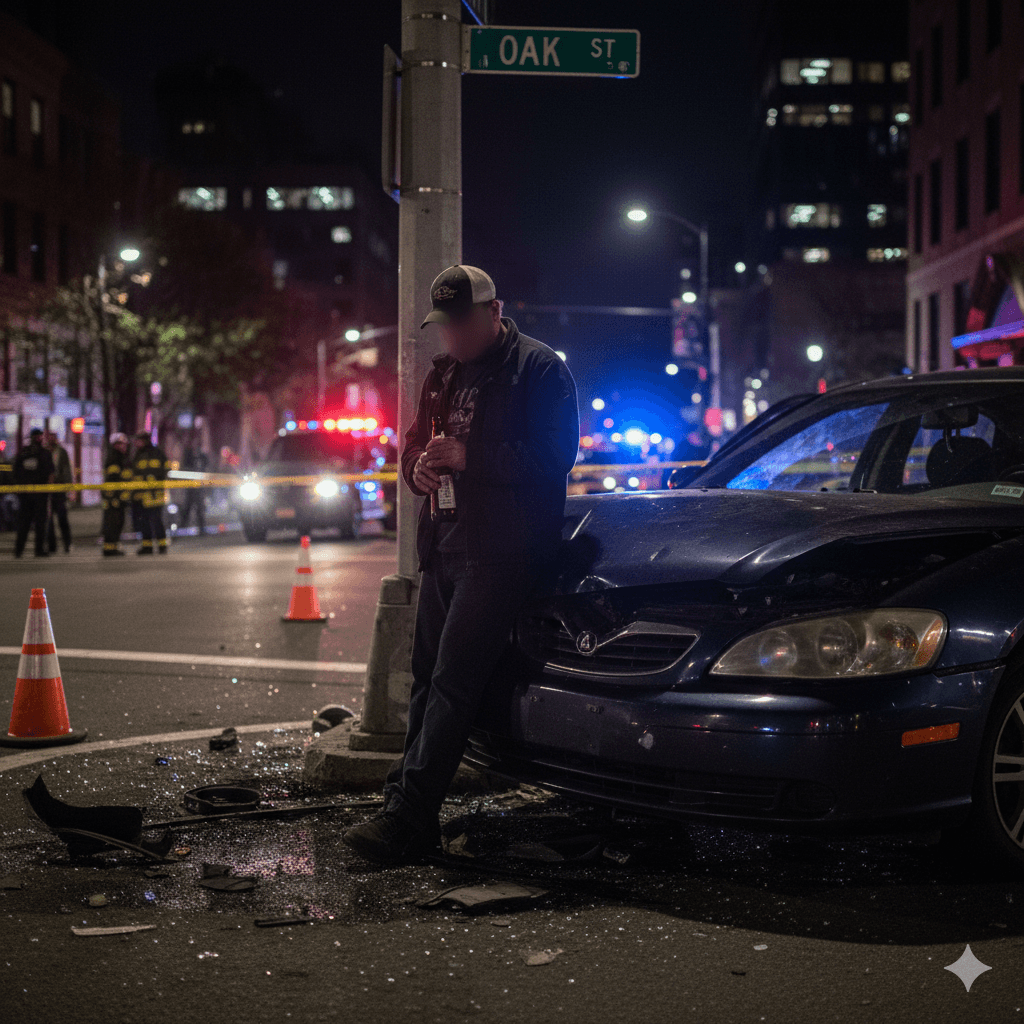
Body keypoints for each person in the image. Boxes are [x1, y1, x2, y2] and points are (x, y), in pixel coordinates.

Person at [342, 265, 580, 865]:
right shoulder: (443, 373)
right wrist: (416, 467)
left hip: (501, 551)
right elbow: (415, 444)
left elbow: (555, 458)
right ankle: (406, 807)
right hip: (444, 542)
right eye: (443, 324)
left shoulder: (539, 368)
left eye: (462, 321)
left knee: (452, 682)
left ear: (495, 311)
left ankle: (409, 815)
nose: (452, 335)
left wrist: (473, 456)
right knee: (426, 679)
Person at [12, 428, 55, 558]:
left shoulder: (23, 453)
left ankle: (19, 550)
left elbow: (15, 473)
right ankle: (38, 550)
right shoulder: (44, 453)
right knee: (39, 523)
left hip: (25, 494)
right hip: (39, 494)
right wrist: (49, 490)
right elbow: (50, 474)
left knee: (24, 523)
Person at [131, 430, 171, 554]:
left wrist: (157, 481)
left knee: (157, 520)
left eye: (139, 441)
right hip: (142, 495)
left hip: (156, 494)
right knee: (144, 522)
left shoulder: (157, 453)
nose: (137, 443)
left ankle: (162, 546)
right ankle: (147, 547)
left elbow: (166, 469)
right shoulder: (138, 454)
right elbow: (134, 472)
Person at [101, 433, 132, 557]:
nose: (123, 446)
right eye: (120, 444)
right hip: (114, 498)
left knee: (117, 523)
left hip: (120, 497)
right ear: (115, 445)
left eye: (124, 444)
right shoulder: (115, 458)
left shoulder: (122, 458)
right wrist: (114, 497)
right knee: (113, 523)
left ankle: (112, 547)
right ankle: (110, 548)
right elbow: (113, 480)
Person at [44, 429, 73, 553]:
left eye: (53, 437)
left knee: (62, 518)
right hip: (47, 490)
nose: (51, 439)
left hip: (59, 489)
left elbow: (66, 471)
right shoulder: (44, 452)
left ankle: (67, 544)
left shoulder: (61, 452)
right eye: (49, 437)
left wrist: (69, 489)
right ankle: (52, 546)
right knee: (48, 520)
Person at [178, 441, 209, 534]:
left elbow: (206, 468)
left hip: (199, 487)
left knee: (199, 508)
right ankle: (182, 526)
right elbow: (184, 468)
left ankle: (202, 528)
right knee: (187, 506)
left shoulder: (202, 457)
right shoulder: (188, 457)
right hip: (190, 486)